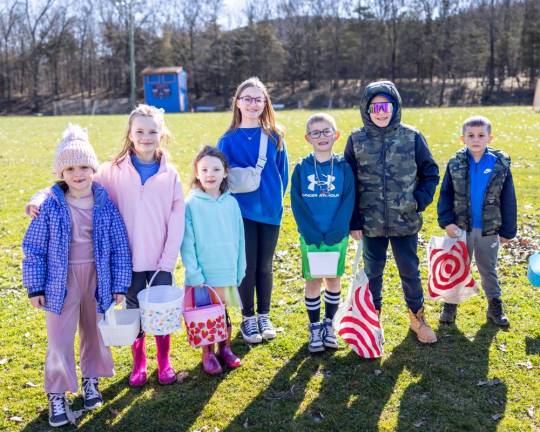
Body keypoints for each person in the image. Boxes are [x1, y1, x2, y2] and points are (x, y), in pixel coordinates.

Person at [26, 105, 185, 386]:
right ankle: (139, 364)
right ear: (130, 134)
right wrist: (40, 197)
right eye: (139, 131)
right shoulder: (112, 170)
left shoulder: (170, 174)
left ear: (162, 134)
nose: (146, 137)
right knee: (134, 311)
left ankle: (164, 362)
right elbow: (72, 181)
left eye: (152, 131)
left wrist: (167, 261)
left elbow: (177, 221)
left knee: (160, 314)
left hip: (160, 260)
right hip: (125, 261)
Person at [22, 125, 132, 427]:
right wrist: (35, 286)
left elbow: (120, 247)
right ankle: (57, 394)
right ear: (61, 173)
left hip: (98, 278)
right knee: (59, 339)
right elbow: (34, 248)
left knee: (95, 334)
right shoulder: (50, 207)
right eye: (70, 168)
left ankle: (91, 380)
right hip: (61, 280)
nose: (78, 174)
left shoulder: (105, 204)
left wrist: (120, 284)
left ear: (93, 168)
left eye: (84, 166)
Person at [344, 80, 440, 344]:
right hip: (369, 222)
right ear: (366, 109)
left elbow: (430, 172)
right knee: (372, 273)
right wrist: (353, 220)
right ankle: (372, 322)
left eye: (386, 106)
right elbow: (349, 183)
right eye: (375, 107)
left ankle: (417, 318)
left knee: (409, 270)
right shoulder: (356, 140)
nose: (381, 112)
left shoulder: (412, 137)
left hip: (404, 220)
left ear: (395, 107)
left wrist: (419, 201)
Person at [217, 77, 288, 344]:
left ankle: (264, 315)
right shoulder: (227, 140)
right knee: (246, 265)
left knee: (265, 266)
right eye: (247, 98)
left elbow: (283, 173)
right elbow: (220, 178)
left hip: (269, 211)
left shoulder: (274, 137)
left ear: (265, 103)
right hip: (240, 212)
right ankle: (248, 317)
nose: (252, 103)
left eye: (258, 99)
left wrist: (274, 201)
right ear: (237, 103)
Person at [437, 115, 517, 326]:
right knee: (456, 267)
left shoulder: (500, 165)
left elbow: (508, 198)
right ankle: (450, 306)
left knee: (487, 269)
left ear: (490, 138)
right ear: (462, 138)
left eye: (481, 135)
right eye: (470, 135)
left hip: (489, 230)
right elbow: (445, 193)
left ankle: (494, 306)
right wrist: (446, 221)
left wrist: (507, 230)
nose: (476, 139)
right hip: (460, 228)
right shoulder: (455, 163)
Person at [291, 113, 354, 353]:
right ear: (308, 138)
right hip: (311, 236)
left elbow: (348, 200)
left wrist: (339, 229)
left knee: (334, 279)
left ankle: (329, 324)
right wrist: (310, 231)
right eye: (316, 133)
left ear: (336, 135)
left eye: (327, 131)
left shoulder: (343, 168)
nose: (322, 136)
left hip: (336, 235)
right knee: (313, 280)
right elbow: (297, 202)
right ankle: (315, 326)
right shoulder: (302, 168)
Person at [181, 146, 246, 374]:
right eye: (205, 169)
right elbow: (187, 243)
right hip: (203, 275)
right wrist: (194, 272)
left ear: (225, 172)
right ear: (197, 173)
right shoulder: (191, 204)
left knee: (223, 312)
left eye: (216, 169)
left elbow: (239, 237)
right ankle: (207, 353)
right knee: (207, 314)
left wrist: (240, 268)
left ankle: (225, 348)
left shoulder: (231, 203)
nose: (210, 174)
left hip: (226, 270)